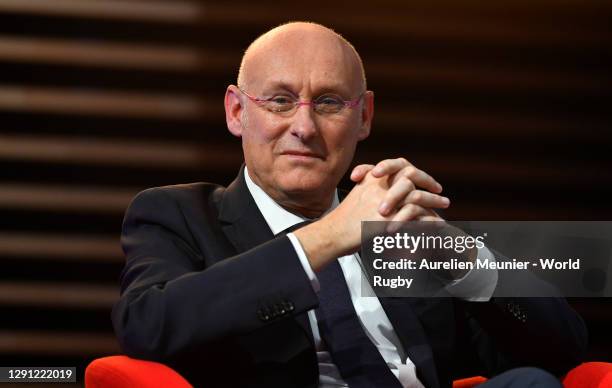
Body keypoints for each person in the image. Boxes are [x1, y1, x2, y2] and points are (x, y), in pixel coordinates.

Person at [112, 22, 587, 388]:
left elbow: (563, 350)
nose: (304, 127)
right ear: (237, 111)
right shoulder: (179, 216)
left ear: (365, 117)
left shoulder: (403, 230)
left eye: (329, 103)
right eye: (280, 101)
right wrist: (327, 236)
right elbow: (149, 324)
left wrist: (462, 259)